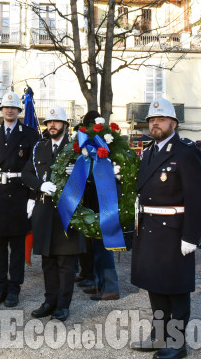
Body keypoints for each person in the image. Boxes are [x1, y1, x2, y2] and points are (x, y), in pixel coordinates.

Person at [130, 98, 201, 359]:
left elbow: (198, 196)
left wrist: (191, 236)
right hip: (151, 228)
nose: (155, 124)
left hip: (175, 231)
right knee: (155, 286)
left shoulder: (186, 152)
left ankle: (177, 343)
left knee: (176, 288)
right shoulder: (149, 150)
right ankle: (159, 335)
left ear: (173, 123)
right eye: (152, 120)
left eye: (161, 119)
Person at [21, 105, 85, 322]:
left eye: (56, 122)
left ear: (65, 125)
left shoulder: (77, 148)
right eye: (49, 122)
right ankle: (50, 301)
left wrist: (78, 172)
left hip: (67, 212)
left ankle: (63, 305)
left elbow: (92, 179)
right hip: (45, 210)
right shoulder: (40, 148)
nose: (52, 125)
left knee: (66, 263)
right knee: (47, 260)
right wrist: (40, 185)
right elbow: (26, 174)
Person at [0, 91, 39, 308]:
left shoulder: (30, 134)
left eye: (14, 108)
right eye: (6, 107)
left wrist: (32, 197)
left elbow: (34, 165)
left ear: (19, 111)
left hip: (19, 194)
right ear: (1, 110)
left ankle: (14, 289)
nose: (10, 110)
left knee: (16, 247)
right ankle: (0, 287)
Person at [77, 110, 120, 301]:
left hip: (105, 202)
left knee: (104, 246)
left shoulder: (107, 146)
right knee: (96, 246)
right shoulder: (88, 147)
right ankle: (97, 283)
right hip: (94, 202)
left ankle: (110, 287)